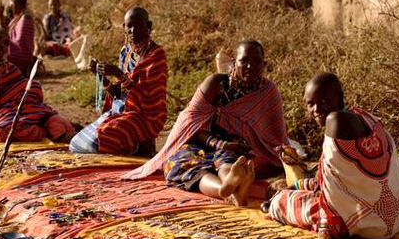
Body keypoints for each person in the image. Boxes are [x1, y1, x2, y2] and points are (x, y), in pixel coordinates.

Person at [124, 40, 289, 206]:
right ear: (233, 62)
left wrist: (284, 156)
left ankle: (232, 181)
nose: (249, 66)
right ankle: (227, 190)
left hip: (239, 149)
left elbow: (275, 136)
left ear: (264, 64)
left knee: (229, 160)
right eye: (243, 61)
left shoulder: (268, 92)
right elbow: (190, 122)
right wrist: (220, 143)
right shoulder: (216, 84)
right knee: (181, 164)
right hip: (201, 143)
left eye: (256, 62)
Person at [267, 72, 399, 239]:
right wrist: (297, 186)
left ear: (340, 98)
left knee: (279, 201)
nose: (317, 109)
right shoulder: (367, 119)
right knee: (295, 189)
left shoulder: (335, 122)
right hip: (396, 217)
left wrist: (327, 232)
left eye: (324, 101)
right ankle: (292, 190)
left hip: (368, 226)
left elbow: (328, 197)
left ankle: (277, 202)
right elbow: (334, 182)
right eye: (310, 104)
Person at [0, 26, 74, 144]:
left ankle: (47, 125)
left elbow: (24, 96)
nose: (1, 45)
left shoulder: (9, 70)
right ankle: (45, 131)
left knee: (32, 87)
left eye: (5, 43)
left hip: (7, 115)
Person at [70, 7, 167, 156]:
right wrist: (101, 77)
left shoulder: (156, 55)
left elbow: (149, 101)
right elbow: (117, 93)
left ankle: (140, 146)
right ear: (124, 28)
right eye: (129, 26)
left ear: (149, 26)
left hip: (145, 117)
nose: (133, 30)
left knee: (105, 136)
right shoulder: (126, 52)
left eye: (139, 25)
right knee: (76, 143)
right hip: (121, 112)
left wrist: (118, 73)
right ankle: (132, 145)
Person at [0, 0, 35, 76]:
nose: (10, 5)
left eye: (11, 3)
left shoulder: (26, 19)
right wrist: (0, 15)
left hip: (21, 57)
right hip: (14, 53)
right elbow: (6, 32)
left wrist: (3, 45)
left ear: (16, 4)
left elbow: (21, 44)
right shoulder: (19, 17)